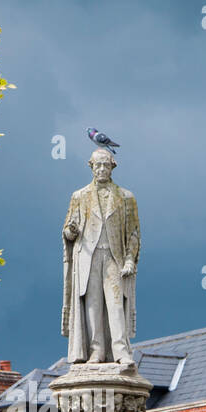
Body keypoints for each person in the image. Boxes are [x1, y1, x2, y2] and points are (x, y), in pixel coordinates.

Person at [61, 148, 140, 367]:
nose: (102, 169)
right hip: (88, 258)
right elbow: (67, 231)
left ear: (112, 167)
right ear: (91, 167)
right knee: (92, 305)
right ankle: (95, 351)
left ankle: (121, 352)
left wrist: (130, 260)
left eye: (106, 165)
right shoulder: (79, 196)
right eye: (98, 165)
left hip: (113, 257)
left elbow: (133, 233)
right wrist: (71, 231)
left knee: (115, 306)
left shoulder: (125, 197)